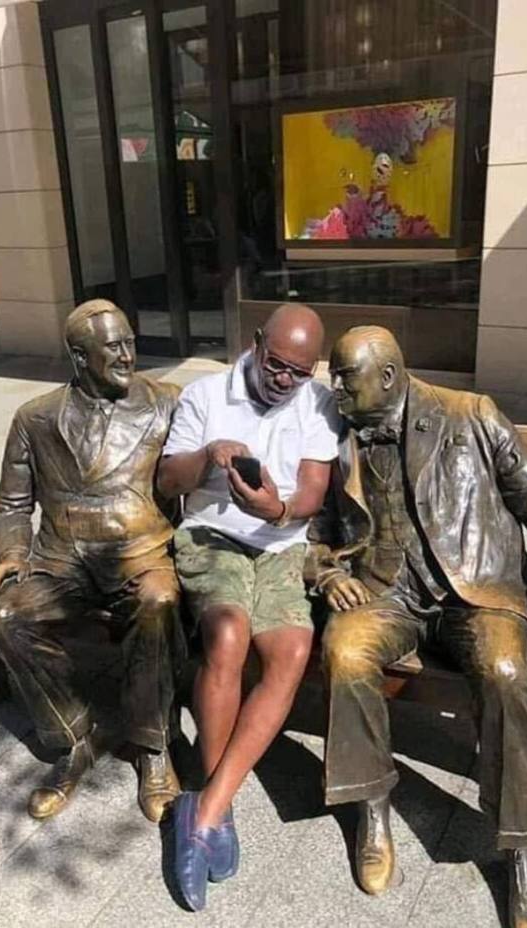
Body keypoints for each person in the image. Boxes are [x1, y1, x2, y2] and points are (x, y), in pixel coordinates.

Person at [311, 325, 527, 928]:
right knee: (343, 649)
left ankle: (522, 850)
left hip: (478, 593)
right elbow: (319, 535)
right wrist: (323, 572)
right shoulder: (338, 434)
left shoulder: (471, 414)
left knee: (501, 671)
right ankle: (372, 808)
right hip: (387, 591)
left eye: (345, 375)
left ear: (387, 377)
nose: (333, 386)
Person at [157, 303, 340, 910]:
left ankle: (206, 806)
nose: (285, 380)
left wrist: (279, 512)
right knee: (229, 634)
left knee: (291, 649)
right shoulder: (206, 394)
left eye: (300, 372)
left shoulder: (317, 405)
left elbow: (311, 491)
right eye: (277, 365)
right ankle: (222, 808)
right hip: (211, 537)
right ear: (255, 343)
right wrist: (208, 455)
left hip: (281, 547)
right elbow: (167, 483)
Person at [0, 299, 185, 823]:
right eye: (113, 347)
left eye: (130, 342)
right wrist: (9, 552)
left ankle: (153, 745)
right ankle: (75, 736)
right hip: (61, 559)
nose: (127, 355)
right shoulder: (36, 418)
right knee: (3, 616)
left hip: (141, 554)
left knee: (160, 599)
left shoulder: (167, 404)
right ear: (78, 356)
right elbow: (12, 504)